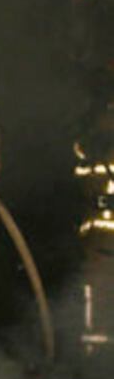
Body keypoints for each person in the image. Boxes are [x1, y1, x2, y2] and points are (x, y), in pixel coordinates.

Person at [73, 61, 114, 357]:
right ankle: (94, 365)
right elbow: (83, 180)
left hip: (100, 238)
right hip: (100, 239)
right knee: (96, 305)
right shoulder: (90, 141)